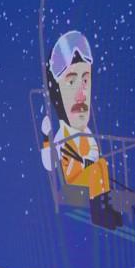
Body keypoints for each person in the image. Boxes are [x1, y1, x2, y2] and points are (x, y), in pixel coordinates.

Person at [40, 30, 122, 228]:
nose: (81, 94)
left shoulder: (87, 133)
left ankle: (105, 206)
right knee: (96, 171)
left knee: (101, 165)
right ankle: (99, 214)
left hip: (87, 178)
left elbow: (93, 152)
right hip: (74, 183)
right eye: (71, 82)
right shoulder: (62, 135)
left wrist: (91, 161)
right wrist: (46, 137)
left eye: (85, 80)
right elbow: (50, 163)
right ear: (57, 91)